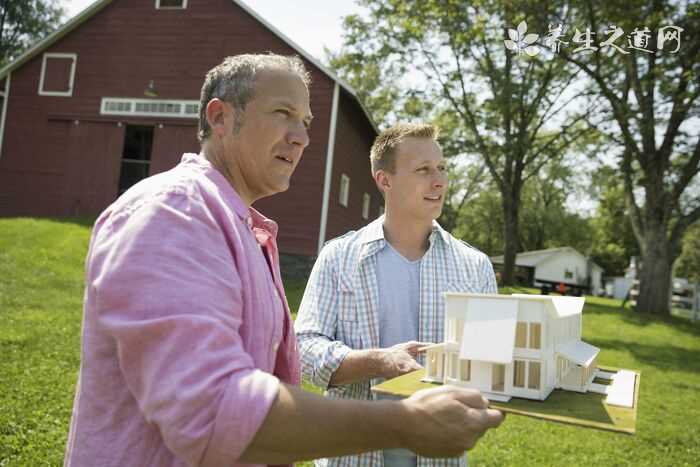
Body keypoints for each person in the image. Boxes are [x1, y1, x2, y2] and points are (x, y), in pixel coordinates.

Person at [64, 56, 503, 467]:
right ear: (220, 117)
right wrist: (406, 422)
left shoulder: (245, 229)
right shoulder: (174, 214)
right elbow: (211, 408)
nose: (302, 136)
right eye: (282, 113)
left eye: (306, 122)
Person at [295, 123, 499, 467]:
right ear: (384, 180)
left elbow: (491, 362)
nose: (439, 181)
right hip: (352, 455)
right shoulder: (338, 257)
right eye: (423, 170)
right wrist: (379, 361)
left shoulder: (475, 266)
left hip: (440, 457)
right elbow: (303, 348)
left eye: (442, 169)